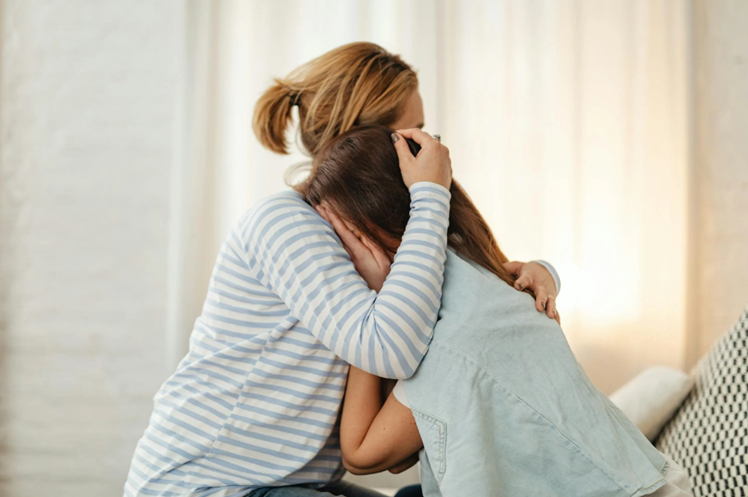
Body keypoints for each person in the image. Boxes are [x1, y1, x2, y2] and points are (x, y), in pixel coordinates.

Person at [124, 42, 561, 497]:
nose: (430, 150)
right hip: (208, 486)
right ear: (363, 143)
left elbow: (464, 293)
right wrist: (431, 192)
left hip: (296, 483)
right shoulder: (284, 223)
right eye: (414, 134)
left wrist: (540, 272)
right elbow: (388, 348)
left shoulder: (375, 232)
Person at [300, 125, 694, 497]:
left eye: (339, 241)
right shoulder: (472, 274)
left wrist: (369, 310)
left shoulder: (457, 336)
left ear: (373, 229)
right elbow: (405, 453)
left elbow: (362, 453)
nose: (335, 262)